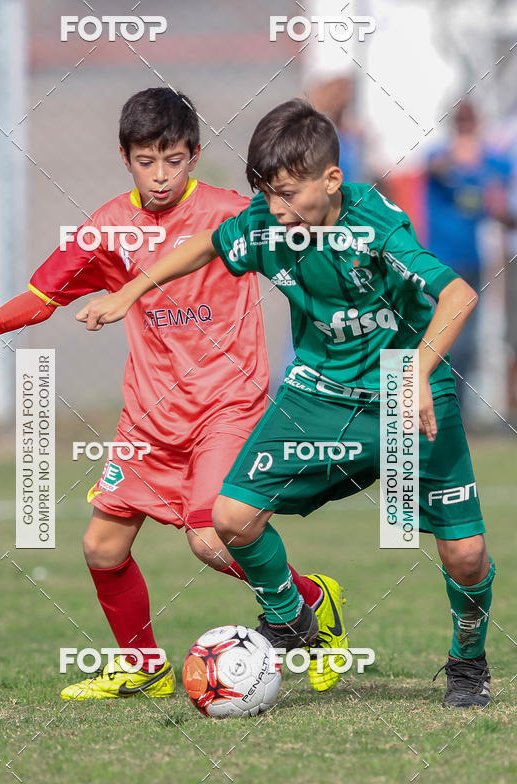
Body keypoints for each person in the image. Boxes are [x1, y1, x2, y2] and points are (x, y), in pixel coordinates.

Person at [0, 89, 345, 700]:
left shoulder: (232, 213)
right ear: (125, 157)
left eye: (173, 160)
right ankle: (143, 665)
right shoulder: (106, 229)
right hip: (150, 417)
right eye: (146, 160)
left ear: (194, 156)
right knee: (101, 545)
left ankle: (309, 603)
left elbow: (307, 243)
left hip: (227, 405)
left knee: (209, 537)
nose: (160, 175)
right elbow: (44, 296)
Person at [79, 100, 496, 709]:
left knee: (465, 555)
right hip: (319, 396)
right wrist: (136, 288)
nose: (275, 209)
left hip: (411, 395)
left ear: (331, 181)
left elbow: (457, 295)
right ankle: (293, 618)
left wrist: (417, 373)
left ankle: (468, 660)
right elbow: (204, 247)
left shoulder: (376, 228)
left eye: (288, 194)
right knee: (230, 518)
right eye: (266, 193)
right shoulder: (266, 222)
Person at [425, 100, 513, 409]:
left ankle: (454, 411)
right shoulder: (439, 156)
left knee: (467, 342)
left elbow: (501, 205)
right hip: (439, 263)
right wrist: (462, 159)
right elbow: (434, 168)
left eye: (469, 121)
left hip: (474, 264)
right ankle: (429, 403)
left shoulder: (492, 161)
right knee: (437, 336)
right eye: (459, 122)